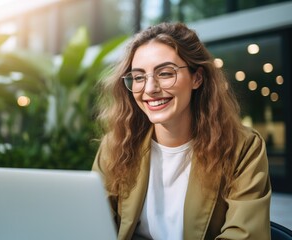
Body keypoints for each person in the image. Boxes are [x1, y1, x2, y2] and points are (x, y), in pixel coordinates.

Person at [92, 22, 271, 240]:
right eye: (139, 77)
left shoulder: (243, 147)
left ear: (197, 78)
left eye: (165, 73)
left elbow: (246, 235)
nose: (150, 89)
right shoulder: (116, 145)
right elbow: (93, 224)